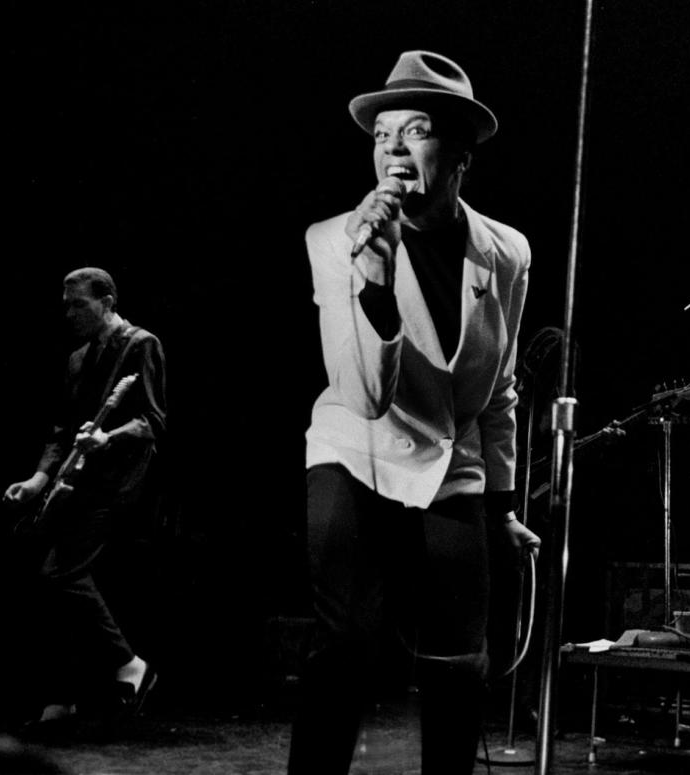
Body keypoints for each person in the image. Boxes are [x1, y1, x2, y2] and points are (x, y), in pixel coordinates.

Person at [288, 50, 539, 775]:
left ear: (459, 153)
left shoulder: (507, 252)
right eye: (380, 135)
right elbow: (364, 392)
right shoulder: (334, 239)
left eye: (415, 130)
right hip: (354, 447)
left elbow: (498, 390)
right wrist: (373, 284)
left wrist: (499, 505)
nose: (392, 148)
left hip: (448, 464)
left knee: (459, 658)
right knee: (348, 644)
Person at [2, 267, 166, 732]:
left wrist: (107, 439)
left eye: (80, 304)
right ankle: (63, 695)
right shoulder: (77, 358)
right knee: (41, 575)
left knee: (60, 571)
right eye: (66, 305)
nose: (70, 313)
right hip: (76, 483)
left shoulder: (141, 345)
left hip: (120, 485)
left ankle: (131, 665)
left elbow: (152, 423)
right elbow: (61, 428)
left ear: (108, 301)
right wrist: (37, 478)